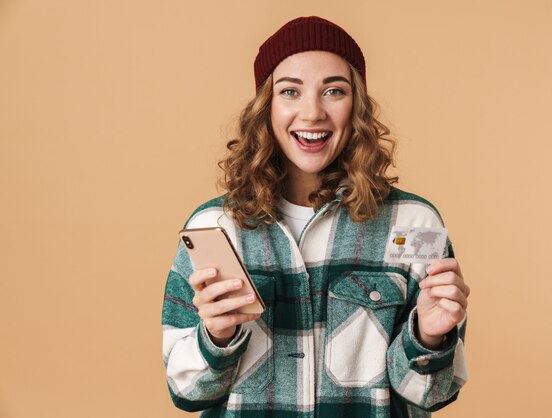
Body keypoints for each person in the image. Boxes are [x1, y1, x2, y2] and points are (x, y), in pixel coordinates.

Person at [162, 16, 470, 418]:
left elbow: (429, 395)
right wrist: (216, 337)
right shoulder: (215, 227)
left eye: (333, 91)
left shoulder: (413, 224)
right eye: (290, 91)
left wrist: (429, 337)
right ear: (265, 107)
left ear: (356, 106)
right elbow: (186, 392)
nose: (312, 113)